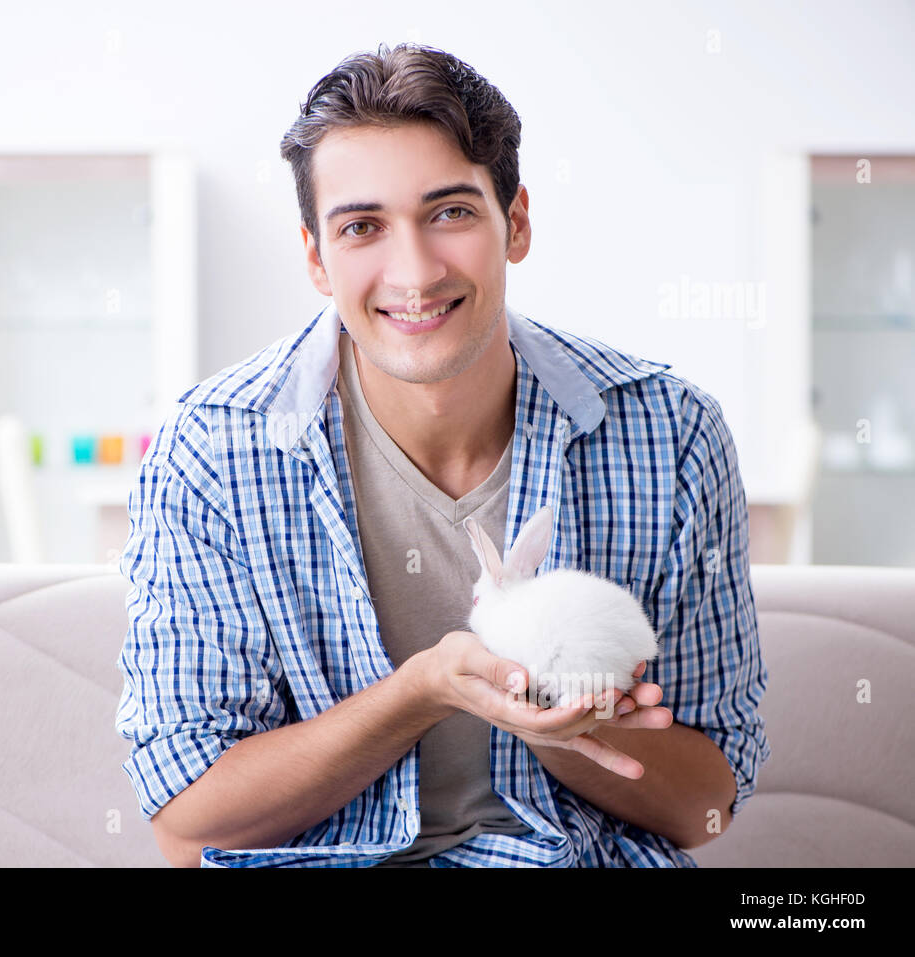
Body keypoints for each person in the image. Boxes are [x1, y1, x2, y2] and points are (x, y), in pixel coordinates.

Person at [114, 42, 770, 868]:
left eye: (451, 212)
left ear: (517, 222)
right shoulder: (210, 451)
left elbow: (708, 806)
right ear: (317, 256)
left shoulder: (670, 434)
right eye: (362, 227)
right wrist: (421, 692)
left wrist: (555, 722)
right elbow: (186, 825)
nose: (415, 273)